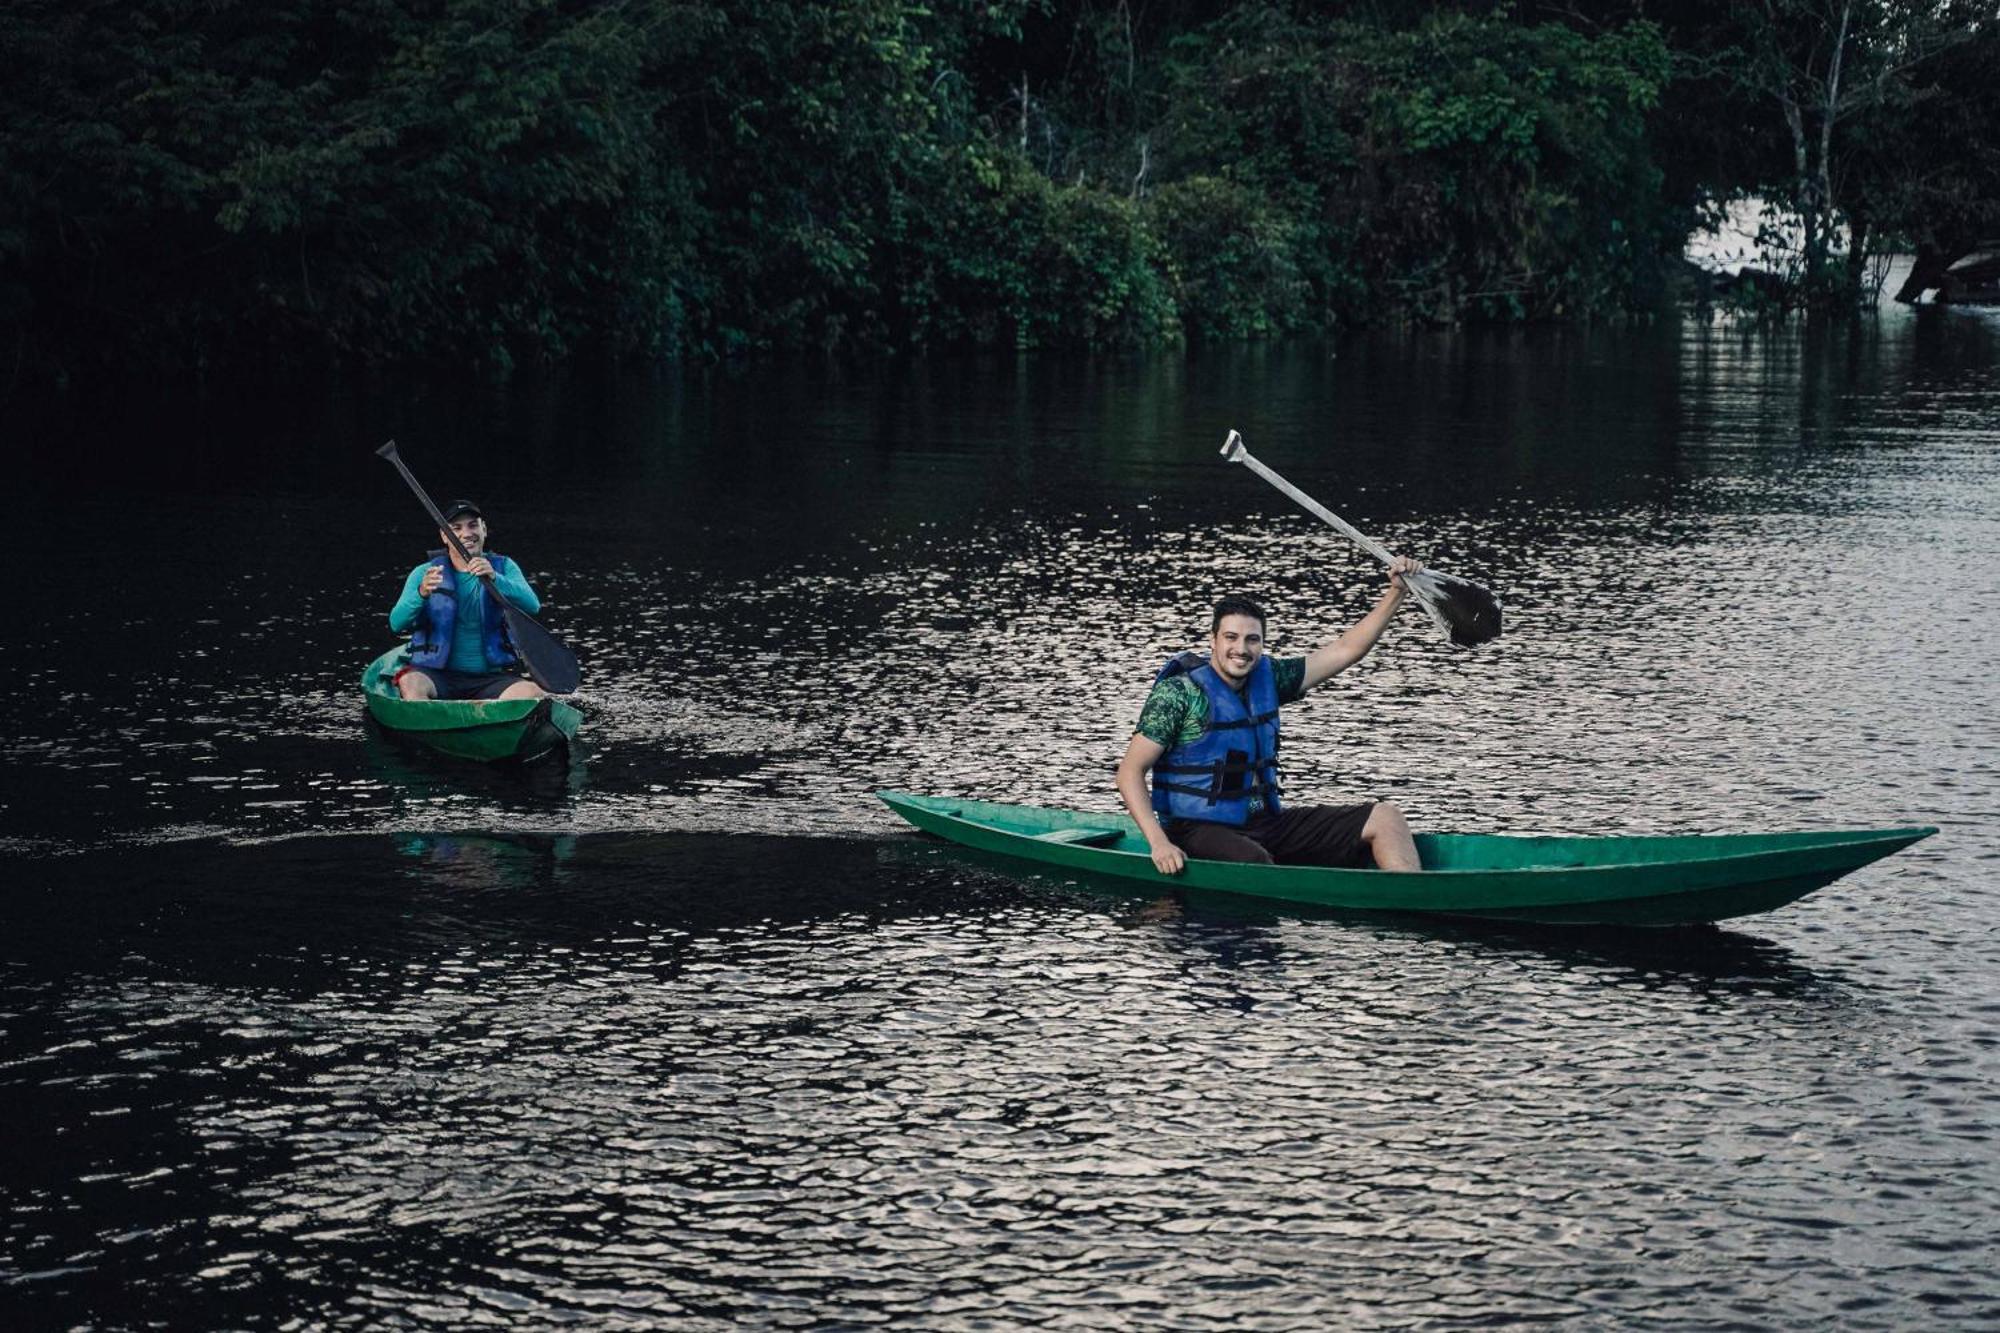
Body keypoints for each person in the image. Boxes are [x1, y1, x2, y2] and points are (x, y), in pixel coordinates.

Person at [1114, 558, 1425, 875]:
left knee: (1386, 818)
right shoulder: (1179, 695)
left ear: (1262, 644)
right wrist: (1159, 843)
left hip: (1264, 821)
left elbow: (1347, 649)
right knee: (1257, 863)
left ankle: (1410, 900)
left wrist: (1396, 592)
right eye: (1231, 637)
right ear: (1213, 640)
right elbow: (1129, 773)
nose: (1241, 649)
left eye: (1252, 639)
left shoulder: (1270, 677)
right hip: (1196, 828)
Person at [386, 500, 546, 702]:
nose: (466, 533)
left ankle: (486, 723)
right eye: (456, 528)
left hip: (489, 679)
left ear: (484, 529)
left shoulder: (504, 567)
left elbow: (533, 606)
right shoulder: (424, 573)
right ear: (444, 536)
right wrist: (422, 593)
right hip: (437, 676)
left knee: (532, 693)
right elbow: (396, 623)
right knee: (411, 683)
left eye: (473, 525)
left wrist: (496, 578)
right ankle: (433, 727)